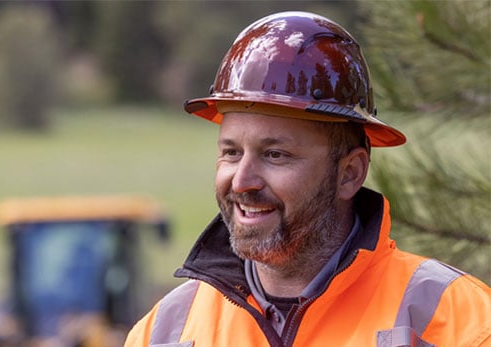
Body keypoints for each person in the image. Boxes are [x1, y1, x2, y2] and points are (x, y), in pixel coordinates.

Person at [124, 11, 491, 347]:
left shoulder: (458, 320)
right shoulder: (165, 332)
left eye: (275, 154)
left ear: (349, 174)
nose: (242, 181)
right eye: (231, 153)